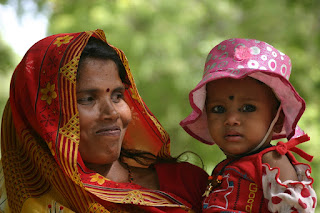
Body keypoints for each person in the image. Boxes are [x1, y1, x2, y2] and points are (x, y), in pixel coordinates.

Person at [0, 29, 208, 212]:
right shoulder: (13, 195)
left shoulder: (188, 184)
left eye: (117, 96)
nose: (112, 113)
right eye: (87, 99)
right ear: (44, 116)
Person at [180, 38, 317, 212]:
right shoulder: (223, 167)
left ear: (278, 119)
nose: (231, 119)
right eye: (218, 109)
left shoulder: (272, 161)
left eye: (248, 108)